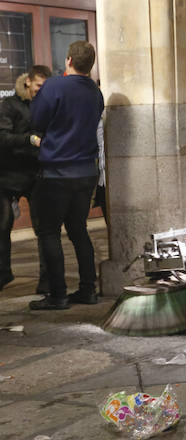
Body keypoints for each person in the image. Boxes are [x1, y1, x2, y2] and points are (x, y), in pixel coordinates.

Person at [28, 41, 104, 310]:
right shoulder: (95, 92)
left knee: (49, 233)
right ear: (90, 65)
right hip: (86, 172)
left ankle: (58, 295)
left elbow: (36, 120)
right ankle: (88, 290)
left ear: (69, 60)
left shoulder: (54, 86)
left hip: (57, 172)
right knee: (78, 230)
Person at [0, 65, 51, 292]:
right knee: (2, 226)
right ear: (28, 81)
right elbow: (3, 137)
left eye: (45, 86)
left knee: (43, 229)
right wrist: (29, 139)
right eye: (38, 85)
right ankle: (3, 273)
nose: (41, 90)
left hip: (35, 172)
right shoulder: (10, 105)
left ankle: (46, 280)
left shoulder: (46, 105)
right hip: (7, 174)